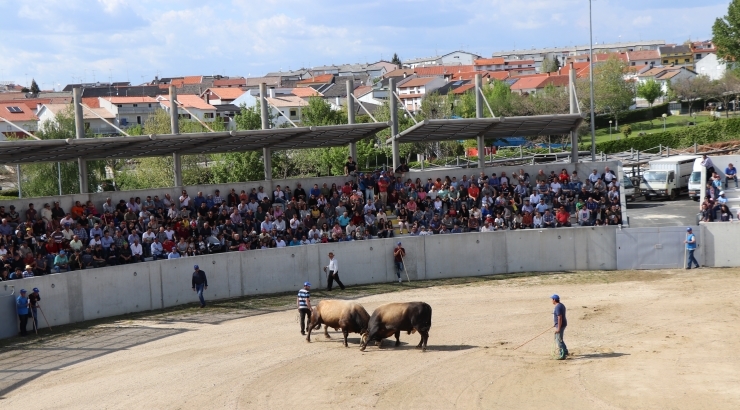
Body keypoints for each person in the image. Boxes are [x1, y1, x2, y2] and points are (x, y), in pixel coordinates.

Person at [552, 294, 568, 360]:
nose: (551, 301)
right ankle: (565, 351)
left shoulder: (557, 307)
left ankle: (562, 354)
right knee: (559, 338)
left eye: (552, 299)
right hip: (562, 324)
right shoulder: (561, 305)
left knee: (559, 340)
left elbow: (559, 317)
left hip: (560, 325)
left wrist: (558, 328)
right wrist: (555, 324)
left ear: (554, 300)